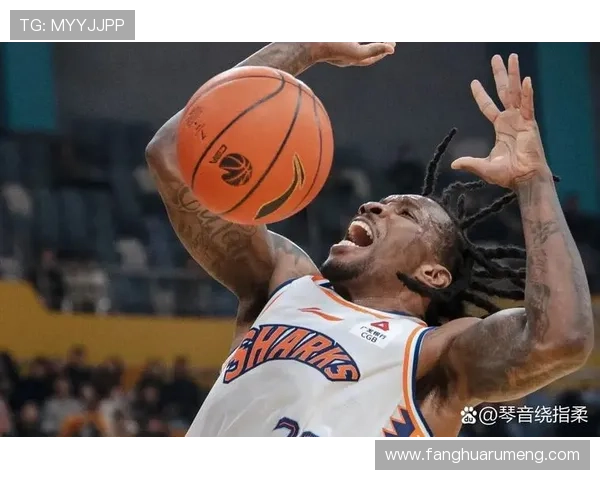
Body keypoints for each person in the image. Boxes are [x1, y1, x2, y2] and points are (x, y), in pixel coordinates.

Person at [146, 42, 594, 439]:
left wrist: (533, 181)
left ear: (433, 273)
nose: (373, 207)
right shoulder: (284, 283)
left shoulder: (436, 356)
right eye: (381, 203)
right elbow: (172, 154)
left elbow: (560, 340)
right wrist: (305, 47)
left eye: (405, 213)